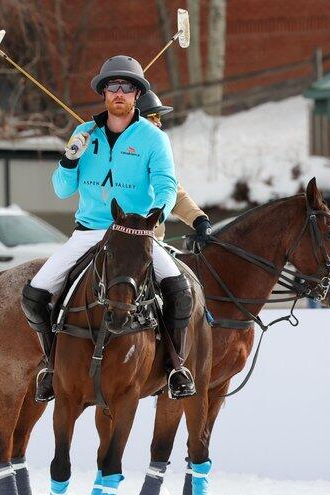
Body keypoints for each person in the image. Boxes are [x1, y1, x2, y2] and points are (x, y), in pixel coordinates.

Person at [21, 55, 196, 403]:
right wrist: (69, 159)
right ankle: (52, 367)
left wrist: (156, 215)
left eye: (127, 87)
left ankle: (175, 367)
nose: (119, 92)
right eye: (112, 86)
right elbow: (61, 189)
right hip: (89, 231)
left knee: (180, 291)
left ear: (137, 94)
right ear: (103, 93)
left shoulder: (154, 138)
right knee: (34, 295)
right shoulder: (84, 134)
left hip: (136, 234)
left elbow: (166, 184)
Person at [136, 89, 214, 249]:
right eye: (154, 117)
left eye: (159, 117)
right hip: (121, 246)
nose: (159, 123)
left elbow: (172, 192)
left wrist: (199, 220)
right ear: (137, 120)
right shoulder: (116, 157)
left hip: (154, 244)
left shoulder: (153, 153)